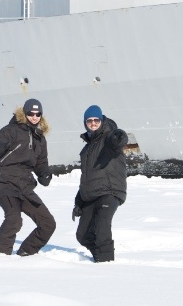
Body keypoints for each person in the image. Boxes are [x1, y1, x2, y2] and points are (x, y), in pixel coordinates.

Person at [0, 98, 56, 256]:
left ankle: (25, 253)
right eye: (31, 113)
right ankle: (0, 257)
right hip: (3, 182)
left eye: (38, 114)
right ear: (24, 113)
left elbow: (41, 163)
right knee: (14, 219)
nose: (34, 117)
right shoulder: (11, 130)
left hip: (24, 186)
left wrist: (45, 174)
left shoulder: (40, 139)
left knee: (48, 224)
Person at [72, 104, 128, 262]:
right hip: (93, 194)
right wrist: (79, 203)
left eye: (96, 120)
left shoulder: (107, 137)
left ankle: (106, 264)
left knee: (102, 226)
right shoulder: (87, 149)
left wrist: (119, 137)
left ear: (102, 120)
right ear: (85, 122)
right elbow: (86, 178)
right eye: (89, 120)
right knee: (82, 235)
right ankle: (100, 258)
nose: (93, 123)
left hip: (109, 191)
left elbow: (116, 141)